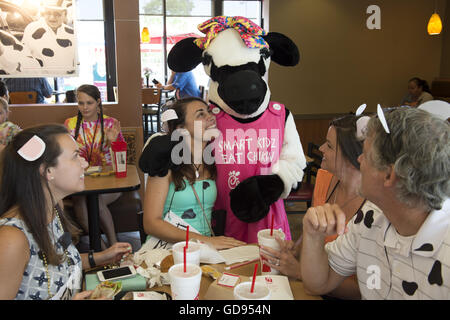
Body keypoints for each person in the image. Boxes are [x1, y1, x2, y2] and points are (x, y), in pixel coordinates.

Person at [300, 107, 450, 299]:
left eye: (365, 154)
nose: (359, 159)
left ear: (389, 175)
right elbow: (319, 283)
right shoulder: (371, 215)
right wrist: (313, 236)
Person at [0, 124, 132, 300]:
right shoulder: (12, 239)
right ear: (47, 170)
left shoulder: (55, 208)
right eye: (76, 156)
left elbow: (60, 264)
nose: (85, 163)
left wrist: (101, 257)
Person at [260, 114, 366, 299]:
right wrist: (296, 248)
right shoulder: (325, 179)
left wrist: (301, 272)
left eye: (330, 146)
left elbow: (362, 291)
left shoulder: (373, 210)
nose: (322, 148)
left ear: (354, 158)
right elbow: (313, 231)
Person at [141, 97, 245, 249]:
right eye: (200, 114)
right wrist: (203, 241)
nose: (210, 117)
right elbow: (151, 223)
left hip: (205, 252)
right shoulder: (164, 162)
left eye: (208, 111)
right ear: (180, 128)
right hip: (167, 250)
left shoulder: (215, 161)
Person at [64, 84, 123, 248]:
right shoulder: (70, 124)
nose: (84, 107)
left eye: (89, 103)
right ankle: (103, 248)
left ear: (98, 102)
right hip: (82, 180)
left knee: (95, 199)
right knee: (80, 201)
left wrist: (113, 141)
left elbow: (122, 159)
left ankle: (114, 243)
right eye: (80, 103)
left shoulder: (111, 123)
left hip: (109, 179)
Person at [22, 1, 76, 74]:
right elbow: (25, 56)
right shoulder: (31, 29)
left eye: (57, 14)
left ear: (64, 14)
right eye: (48, 13)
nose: (52, 17)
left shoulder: (72, 33)